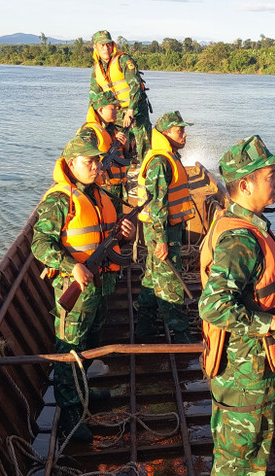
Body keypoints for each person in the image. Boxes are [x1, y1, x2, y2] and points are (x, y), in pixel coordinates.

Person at [197, 135, 275, 476]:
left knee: (244, 463)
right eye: (270, 175)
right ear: (245, 185)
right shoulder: (240, 241)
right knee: (236, 474)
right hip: (245, 376)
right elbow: (213, 307)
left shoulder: (250, 227)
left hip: (254, 375)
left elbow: (259, 283)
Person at [31, 132, 135, 443]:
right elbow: (40, 243)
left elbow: (107, 233)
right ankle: (70, 412)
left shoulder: (100, 195)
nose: (95, 166)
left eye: (96, 161)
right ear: (71, 164)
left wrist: (126, 234)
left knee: (90, 341)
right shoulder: (59, 200)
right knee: (69, 349)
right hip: (75, 288)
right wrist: (70, 266)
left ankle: (84, 391)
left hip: (100, 286)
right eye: (88, 162)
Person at [134, 111, 196, 344]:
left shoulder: (169, 157)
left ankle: (145, 329)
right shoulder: (160, 162)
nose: (185, 134)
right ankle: (183, 337)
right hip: (163, 232)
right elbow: (157, 204)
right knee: (170, 282)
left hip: (167, 229)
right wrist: (161, 239)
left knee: (152, 279)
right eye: (180, 130)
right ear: (166, 134)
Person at [90, 30, 152, 163]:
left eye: (108, 44)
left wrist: (130, 110)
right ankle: (126, 169)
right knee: (120, 143)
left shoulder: (123, 60)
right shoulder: (96, 69)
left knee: (143, 141)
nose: (106, 48)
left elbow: (135, 86)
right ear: (95, 47)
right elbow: (94, 97)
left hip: (136, 107)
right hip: (116, 112)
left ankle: (146, 172)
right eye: (102, 45)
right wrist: (95, 121)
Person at [78, 90, 131, 201]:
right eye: (113, 109)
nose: (117, 112)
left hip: (119, 188)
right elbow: (80, 158)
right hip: (103, 188)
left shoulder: (115, 131)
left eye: (117, 108)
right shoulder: (89, 131)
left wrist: (127, 146)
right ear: (101, 110)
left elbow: (129, 159)